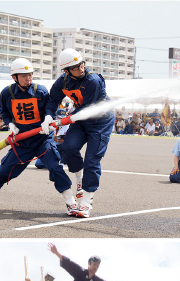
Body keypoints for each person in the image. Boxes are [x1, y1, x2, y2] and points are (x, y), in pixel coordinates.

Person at [0, 58, 76, 213]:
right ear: (15, 77)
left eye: (30, 75)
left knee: (55, 167)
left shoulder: (41, 90)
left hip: (42, 139)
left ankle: (71, 202)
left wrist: (48, 119)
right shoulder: (7, 93)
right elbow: (5, 112)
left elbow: (50, 107)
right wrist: (10, 124)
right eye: (24, 76)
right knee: (4, 170)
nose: (28, 78)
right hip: (21, 141)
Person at [45, 49, 115, 218]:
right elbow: (52, 100)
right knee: (68, 148)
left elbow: (87, 108)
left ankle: (86, 202)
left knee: (92, 160)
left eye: (81, 64)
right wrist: (48, 116)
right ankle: (79, 178)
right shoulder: (62, 82)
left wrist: (63, 120)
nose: (81, 68)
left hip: (100, 122)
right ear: (67, 71)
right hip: (81, 120)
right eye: (75, 67)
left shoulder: (93, 80)